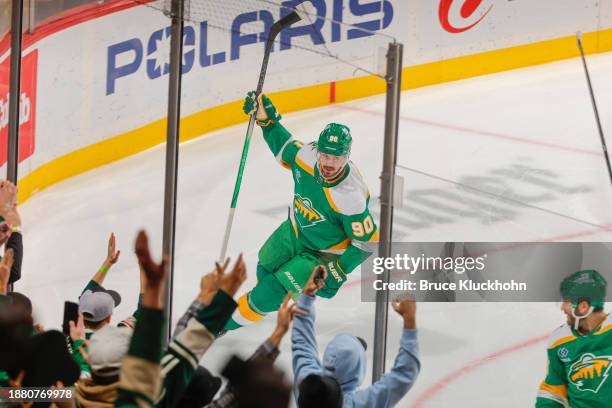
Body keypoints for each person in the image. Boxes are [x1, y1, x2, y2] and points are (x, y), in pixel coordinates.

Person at [226, 92, 378, 330]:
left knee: (266, 295)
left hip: (323, 254)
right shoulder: (308, 156)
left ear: (347, 157)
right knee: (265, 267)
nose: (328, 163)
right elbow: (284, 146)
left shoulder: (350, 197)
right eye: (325, 155)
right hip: (296, 231)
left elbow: (368, 241)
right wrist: (267, 121)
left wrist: (339, 269)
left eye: (336, 158)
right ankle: (274, 301)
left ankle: (215, 327)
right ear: (318, 150)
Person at [292, 266, 420, 408]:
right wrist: (409, 319)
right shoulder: (358, 404)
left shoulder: (308, 389)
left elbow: (302, 343)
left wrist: (307, 297)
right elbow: (404, 375)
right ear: (358, 369)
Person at [536, 269, 611, 408]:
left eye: (567, 302)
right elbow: (554, 389)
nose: (563, 308)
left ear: (583, 306)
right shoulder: (559, 341)